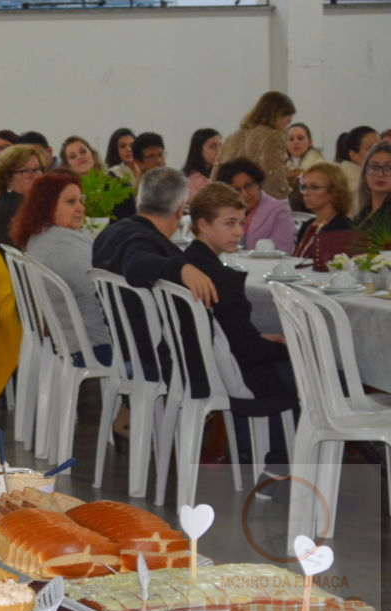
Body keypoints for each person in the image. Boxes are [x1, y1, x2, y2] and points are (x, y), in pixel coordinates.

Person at [183, 181, 296, 489]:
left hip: (205, 365)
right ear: (203, 225)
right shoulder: (217, 276)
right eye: (229, 223)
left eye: (241, 222)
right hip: (234, 374)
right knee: (317, 375)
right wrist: (289, 350)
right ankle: (280, 471)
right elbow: (245, 349)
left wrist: (262, 340)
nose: (239, 232)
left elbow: (235, 334)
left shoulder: (188, 262)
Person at [91, 168, 217, 381]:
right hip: (155, 358)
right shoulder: (145, 243)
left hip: (121, 345)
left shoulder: (109, 233)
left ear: (139, 199)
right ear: (180, 210)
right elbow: (135, 265)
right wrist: (181, 268)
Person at [9, 172, 111, 365]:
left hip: (70, 341)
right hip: (95, 346)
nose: (81, 208)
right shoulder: (63, 245)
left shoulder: (39, 238)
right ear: (47, 206)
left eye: (81, 200)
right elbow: (102, 290)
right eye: (71, 202)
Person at [214, 91, 295, 200]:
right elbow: (273, 176)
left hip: (228, 201)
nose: (286, 128)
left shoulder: (232, 137)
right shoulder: (273, 136)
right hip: (255, 201)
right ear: (277, 116)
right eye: (288, 122)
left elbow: (216, 173)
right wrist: (288, 195)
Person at [216, 158, 295, 253]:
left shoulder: (279, 211)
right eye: (236, 190)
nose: (244, 194)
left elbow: (283, 251)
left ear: (258, 183)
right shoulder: (223, 211)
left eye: (248, 186)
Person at [0, 144, 44, 251]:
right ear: (7, 178)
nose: (35, 176)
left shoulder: (7, 201)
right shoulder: (15, 207)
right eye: (25, 171)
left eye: (37, 169)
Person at [292, 163, 355, 260]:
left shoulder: (343, 227)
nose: (306, 193)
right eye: (304, 187)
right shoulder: (307, 225)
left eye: (314, 187)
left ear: (334, 191)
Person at [342, 126, 379, 211]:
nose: (378, 152)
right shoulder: (354, 185)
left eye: (379, 147)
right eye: (371, 149)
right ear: (353, 155)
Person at [355, 140, 391, 224]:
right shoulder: (360, 216)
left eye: (389, 168)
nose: (380, 174)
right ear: (364, 173)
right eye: (374, 167)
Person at [181, 128, 221, 201]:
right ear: (198, 150)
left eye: (220, 145)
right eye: (212, 146)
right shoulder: (194, 180)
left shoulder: (216, 174)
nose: (219, 151)